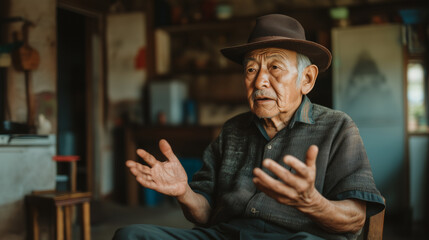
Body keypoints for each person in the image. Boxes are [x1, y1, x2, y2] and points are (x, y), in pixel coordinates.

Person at [113, 14, 385, 240]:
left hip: (297, 237)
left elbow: (354, 220)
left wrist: (312, 202)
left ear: (307, 79)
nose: (259, 82)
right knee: (131, 235)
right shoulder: (232, 130)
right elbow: (205, 214)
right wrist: (184, 193)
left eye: (275, 67)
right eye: (251, 70)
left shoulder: (337, 127)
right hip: (227, 235)